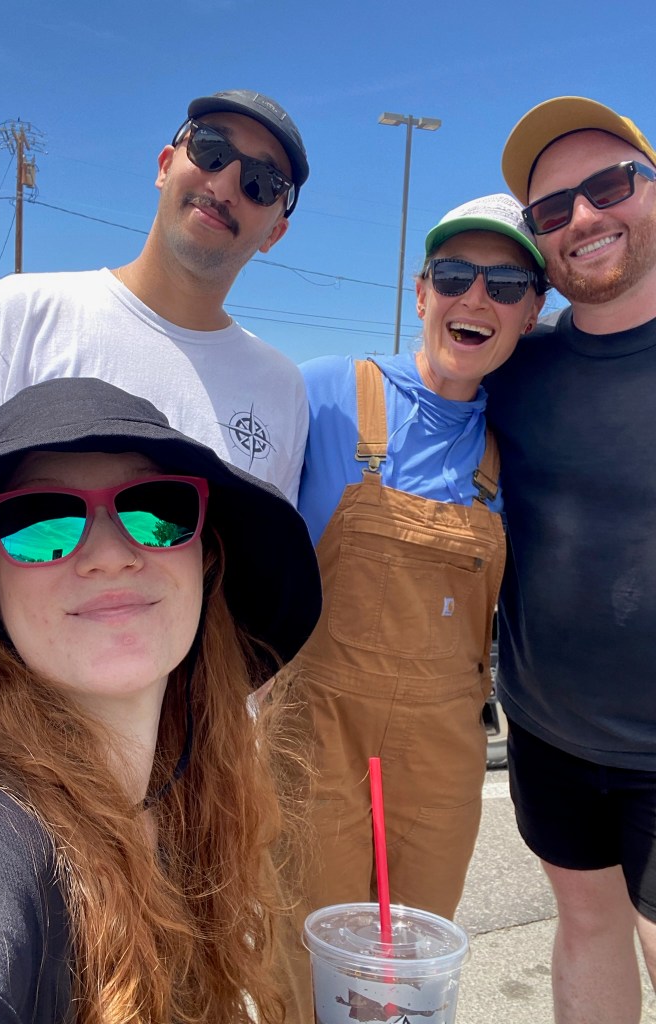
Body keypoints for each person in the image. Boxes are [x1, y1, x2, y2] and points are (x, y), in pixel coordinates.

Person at [0, 376, 322, 1023]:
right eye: (39, 520)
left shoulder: (190, 802)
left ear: (205, 558)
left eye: (157, 508)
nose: (111, 555)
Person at [288, 195, 546, 995]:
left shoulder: (522, 448)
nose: (477, 298)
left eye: (506, 285)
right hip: (315, 735)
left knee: (409, 974)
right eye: (456, 275)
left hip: (443, 753)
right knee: (306, 961)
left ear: (533, 312)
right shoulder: (324, 395)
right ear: (421, 290)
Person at [0, 89, 310, 505]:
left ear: (274, 234)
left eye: (262, 182)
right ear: (165, 166)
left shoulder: (282, 387)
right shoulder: (18, 318)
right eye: (211, 148)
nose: (223, 187)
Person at [486, 96, 656, 1024]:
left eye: (609, 185)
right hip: (547, 732)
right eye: (552, 208)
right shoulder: (516, 373)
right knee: (587, 927)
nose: (583, 217)